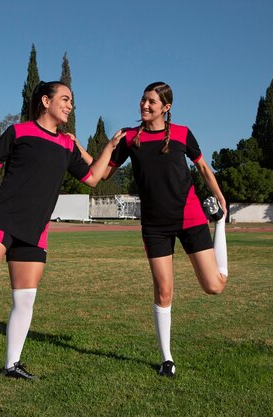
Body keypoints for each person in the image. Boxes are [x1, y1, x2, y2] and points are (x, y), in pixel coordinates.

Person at [0, 81, 125, 380]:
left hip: (36, 228)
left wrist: (111, 147)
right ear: (45, 101)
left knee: (25, 298)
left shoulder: (66, 144)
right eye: (64, 99)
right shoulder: (18, 132)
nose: (69, 105)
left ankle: (12, 365)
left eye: (72, 101)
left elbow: (93, 178)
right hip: (5, 217)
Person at [98, 81, 228, 377]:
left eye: (151, 102)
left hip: (191, 217)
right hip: (155, 226)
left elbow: (204, 168)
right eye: (143, 100)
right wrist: (104, 147)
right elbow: (102, 173)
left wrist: (220, 198)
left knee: (214, 286)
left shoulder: (182, 133)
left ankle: (219, 225)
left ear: (165, 108)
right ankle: (166, 359)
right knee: (163, 290)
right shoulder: (130, 138)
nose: (144, 105)